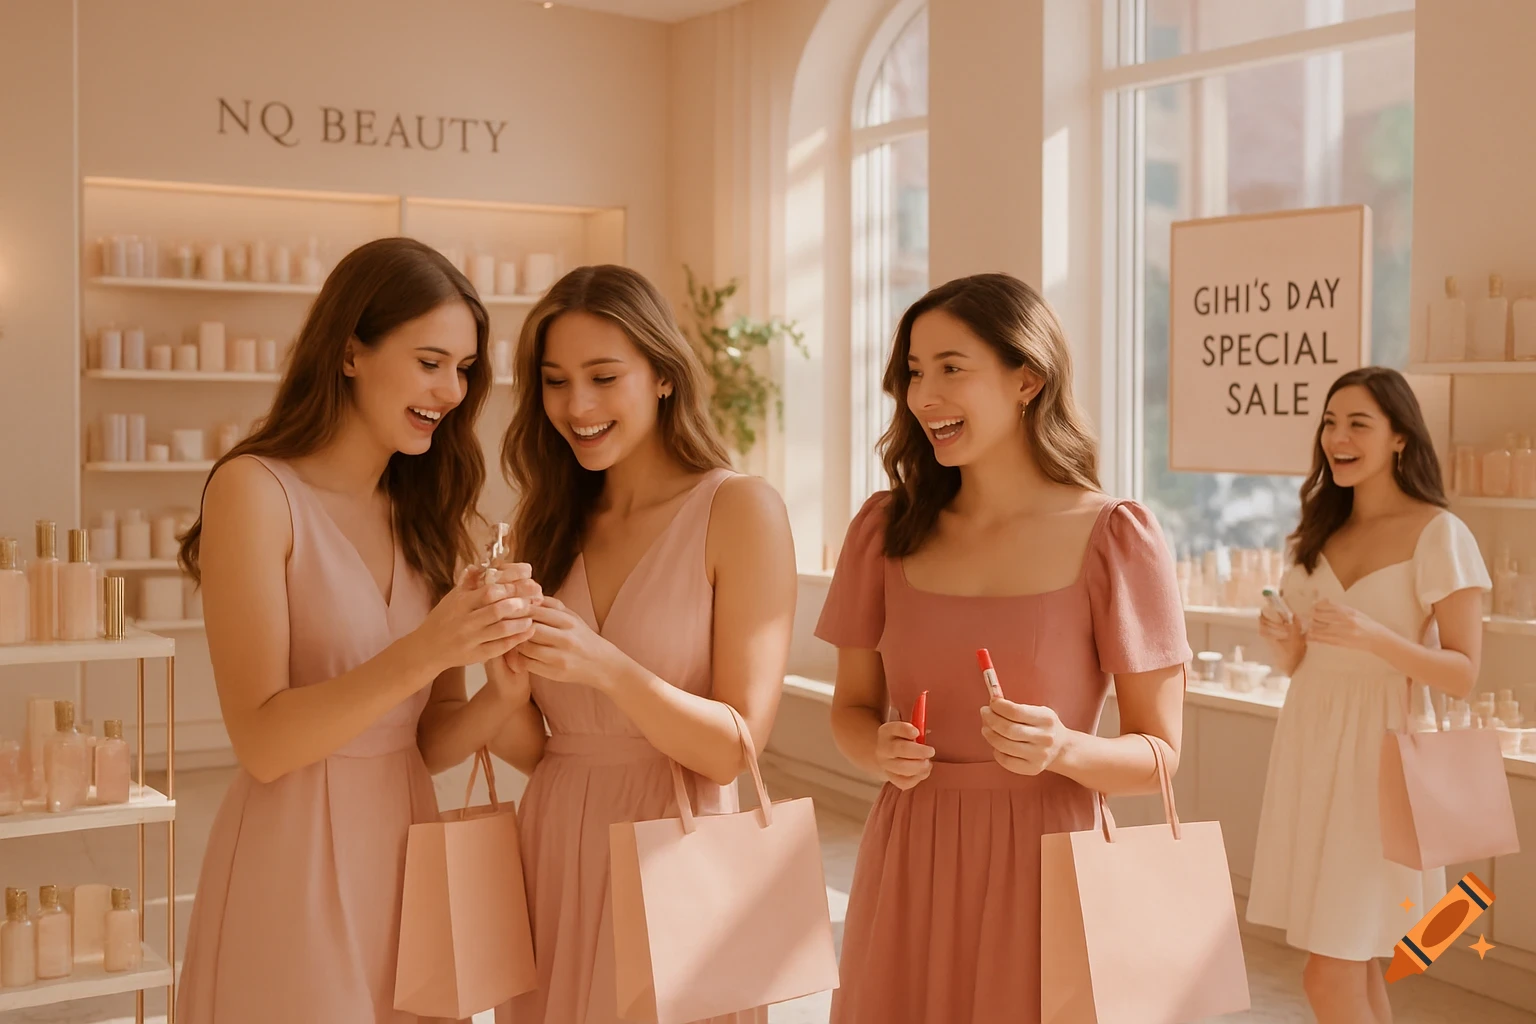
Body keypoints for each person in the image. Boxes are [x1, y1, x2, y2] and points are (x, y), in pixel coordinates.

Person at [176, 237, 540, 1024]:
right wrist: (428, 648)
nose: (450, 390)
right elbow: (263, 741)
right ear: (349, 352)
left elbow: (422, 739)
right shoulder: (254, 491)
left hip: (409, 846)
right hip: (293, 857)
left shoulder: (426, 515)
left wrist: (496, 697)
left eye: (465, 369)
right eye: (429, 360)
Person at [816, 273, 1190, 1023]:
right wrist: (877, 750)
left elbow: (1160, 754)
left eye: (952, 367)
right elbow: (850, 710)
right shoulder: (882, 531)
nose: (924, 395)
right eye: (915, 372)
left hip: (1051, 859)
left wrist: (1062, 748)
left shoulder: (1117, 536)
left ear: (1028, 378)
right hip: (910, 853)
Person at [489, 265, 797, 1024]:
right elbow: (538, 746)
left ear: (662, 375)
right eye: (555, 381)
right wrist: (489, 666)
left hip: (681, 843)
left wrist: (606, 668)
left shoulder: (738, 509)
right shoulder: (542, 523)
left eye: (603, 377)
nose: (576, 406)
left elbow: (736, 749)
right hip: (555, 840)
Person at [1247, 366, 1491, 1024]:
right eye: (1330, 422)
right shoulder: (1319, 531)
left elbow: (1463, 673)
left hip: (1380, 764)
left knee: (1327, 978)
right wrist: (1284, 640)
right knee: (1352, 967)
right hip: (1312, 752)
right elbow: (1303, 662)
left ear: (1401, 439)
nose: (1338, 437)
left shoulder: (1439, 533)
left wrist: (1375, 637)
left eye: (1359, 423)